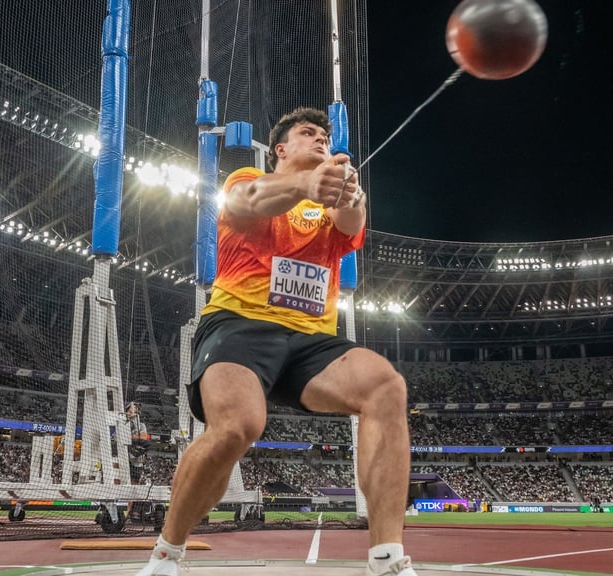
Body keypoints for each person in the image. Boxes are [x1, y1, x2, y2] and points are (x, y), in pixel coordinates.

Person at [136, 107, 417, 576]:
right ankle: (167, 553)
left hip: (310, 340)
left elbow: (350, 223)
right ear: (281, 149)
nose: (321, 139)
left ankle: (386, 558)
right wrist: (306, 186)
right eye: (308, 133)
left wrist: (349, 194)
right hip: (238, 323)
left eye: (325, 135)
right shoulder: (251, 178)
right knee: (237, 426)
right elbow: (248, 199)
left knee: (385, 385)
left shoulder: (327, 206)